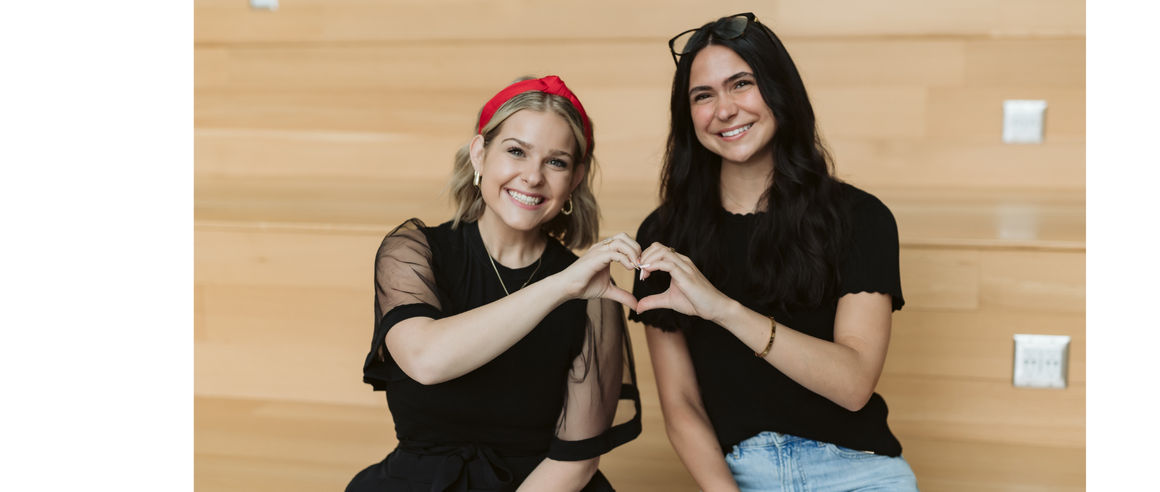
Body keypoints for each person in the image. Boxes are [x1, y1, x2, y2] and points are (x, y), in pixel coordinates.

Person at [629, 13, 919, 491]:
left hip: (858, 472)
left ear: (778, 89)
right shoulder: (664, 234)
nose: (724, 109)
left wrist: (721, 308)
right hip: (737, 475)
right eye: (704, 95)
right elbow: (681, 403)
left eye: (741, 84)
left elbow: (853, 385)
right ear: (689, 116)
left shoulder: (860, 218)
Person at [347, 75, 643, 492]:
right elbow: (426, 360)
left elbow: (576, 461)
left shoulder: (594, 292)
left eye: (555, 162)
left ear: (575, 179)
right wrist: (561, 287)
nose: (533, 176)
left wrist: (572, 282)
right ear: (479, 155)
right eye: (516, 152)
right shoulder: (412, 250)